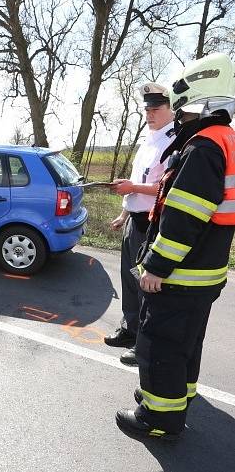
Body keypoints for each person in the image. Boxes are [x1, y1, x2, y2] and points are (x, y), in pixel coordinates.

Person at [115, 52, 235, 440]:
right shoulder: (225, 138)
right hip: (205, 271)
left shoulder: (202, 147)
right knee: (186, 340)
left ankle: (159, 417)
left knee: (160, 342)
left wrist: (156, 267)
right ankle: (177, 394)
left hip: (181, 273)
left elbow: (184, 217)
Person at [104, 83, 175, 366]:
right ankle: (130, 329)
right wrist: (124, 213)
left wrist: (133, 187)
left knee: (144, 283)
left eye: (156, 108)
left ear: (171, 109)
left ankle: (143, 342)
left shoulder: (173, 140)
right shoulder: (150, 137)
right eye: (147, 109)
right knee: (129, 279)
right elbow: (137, 180)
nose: (150, 113)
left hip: (150, 224)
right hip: (134, 221)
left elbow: (163, 187)